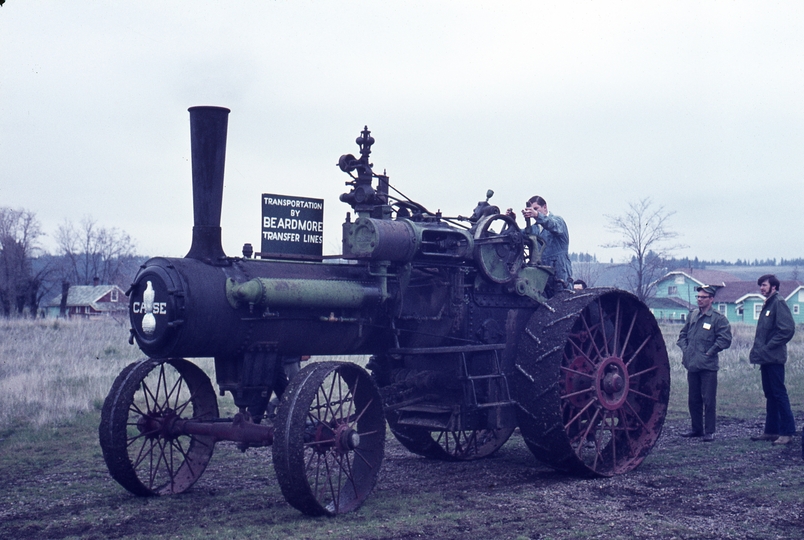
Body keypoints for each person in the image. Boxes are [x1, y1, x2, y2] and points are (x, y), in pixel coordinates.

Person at [676, 285, 733, 442]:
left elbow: (725, 339)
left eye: (703, 297)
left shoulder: (718, 318)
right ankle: (697, 429)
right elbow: (682, 335)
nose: (700, 299)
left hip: (708, 366)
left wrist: (711, 351)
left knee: (708, 399)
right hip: (692, 364)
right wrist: (685, 349)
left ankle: (709, 431)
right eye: (698, 297)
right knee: (693, 399)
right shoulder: (692, 315)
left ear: (711, 299)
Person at [749, 274, 797, 445]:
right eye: (760, 285)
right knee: (770, 394)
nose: (761, 288)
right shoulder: (768, 303)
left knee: (779, 394)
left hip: (774, 358)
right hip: (766, 358)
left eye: (764, 285)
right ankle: (771, 431)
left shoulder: (778, 303)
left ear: (773, 287)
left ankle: (787, 432)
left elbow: (787, 330)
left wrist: (769, 346)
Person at [507, 195, 572, 295]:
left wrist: (537, 215)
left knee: (564, 299)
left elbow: (552, 225)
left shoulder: (558, 221)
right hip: (542, 275)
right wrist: (511, 221)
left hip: (560, 271)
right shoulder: (534, 229)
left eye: (536, 209)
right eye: (531, 210)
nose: (533, 212)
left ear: (545, 207)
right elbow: (517, 236)